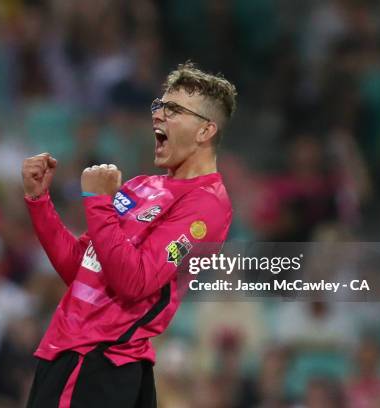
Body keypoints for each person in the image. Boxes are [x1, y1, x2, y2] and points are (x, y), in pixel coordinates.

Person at [22, 62, 236, 407]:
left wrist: (98, 201)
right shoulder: (140, 186)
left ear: (205, 131)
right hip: (68, 354)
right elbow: (81, 271)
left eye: (174, 110)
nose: (158, 117)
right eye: (159, 106)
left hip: (101, 363)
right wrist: (39, 202)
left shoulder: (207, 206)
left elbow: (134, 281)